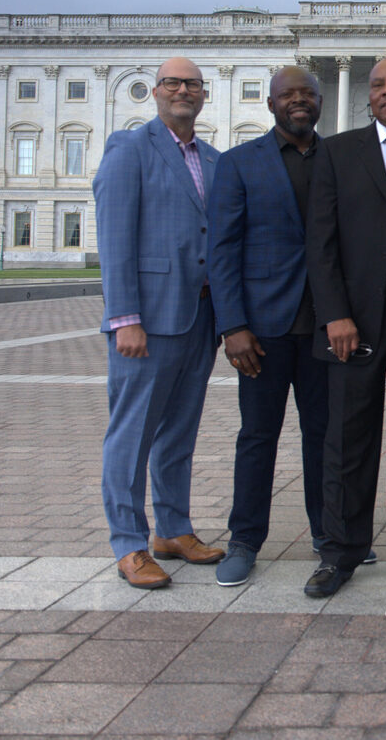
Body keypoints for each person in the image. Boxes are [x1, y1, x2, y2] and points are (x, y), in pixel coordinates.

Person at [303, 57, 386, 598]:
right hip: (354, 317)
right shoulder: (337, 152)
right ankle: (341, 550)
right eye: (379, 85)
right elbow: (321, 241)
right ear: (369, 96)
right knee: (347, 436)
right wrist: (334, 313)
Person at [93, 58, 225, 589]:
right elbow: (115, 238)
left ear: (203, 94)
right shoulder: (129, 149)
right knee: (132, 433)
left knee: (179, 433)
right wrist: (124, 317)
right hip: (146, 320)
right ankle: (128, 543)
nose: (182, 91)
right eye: (172, 83)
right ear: (154, 92)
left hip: (199, 316)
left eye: (192, 84)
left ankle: (172, 528)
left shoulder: (214, 160)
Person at [206, 67, 329, 587]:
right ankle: (244, 540)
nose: (298, 102)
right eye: (288, 95)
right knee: (257, 436)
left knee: (325, 438)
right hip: (261, 328)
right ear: (272, 103)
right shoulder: (238, 164)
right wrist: (232, 325)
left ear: (320, 102)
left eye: (307, 94)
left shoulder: (339, 159)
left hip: (325, 327)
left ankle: (330, 536)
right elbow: (222, 248)